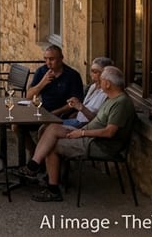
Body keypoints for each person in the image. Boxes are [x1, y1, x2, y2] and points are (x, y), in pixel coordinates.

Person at [22, 66, 136, 202]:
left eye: (102, 79)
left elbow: (109, 132)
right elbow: (98, 121)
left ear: (107, 84)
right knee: (51, 128)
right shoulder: (111, 99)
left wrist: (82, 132)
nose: (99, 81)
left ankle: (52, 189)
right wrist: (81, 125)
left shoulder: (121, 103)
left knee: (53, 145)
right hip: (89, 135)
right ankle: (35, 165)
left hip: (98, 144)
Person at [25, 45, 84, 118]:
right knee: (16, 124)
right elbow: (28, 96)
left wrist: (55, 113)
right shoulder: (41, 71)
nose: (48, 62)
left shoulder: (72, 75)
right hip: (43, 111)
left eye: (51, 59)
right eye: (46, 59)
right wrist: (42, 83)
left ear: (61, 59)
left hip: (63, 114)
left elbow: (76, 101)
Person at [63, 57, 112, 128]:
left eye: (95, 72)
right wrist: (77, 111)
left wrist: (81, 107)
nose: (92, 74)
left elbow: (98, 122)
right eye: (91, 71)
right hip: (78, 120)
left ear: (105, 74)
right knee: (46, 125)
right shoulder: (93, 86)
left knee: (50, 127)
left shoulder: (107, 94)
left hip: (87, 125)